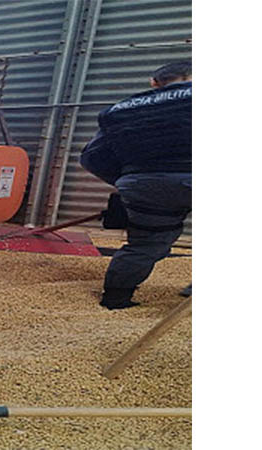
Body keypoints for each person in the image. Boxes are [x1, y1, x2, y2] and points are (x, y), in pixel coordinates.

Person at [79, 61, 192, 310]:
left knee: (145, 243)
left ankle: (116, 299)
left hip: (142, 184)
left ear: (154, 83)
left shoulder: (118, 110)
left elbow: (91, 157)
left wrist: (125, 179)